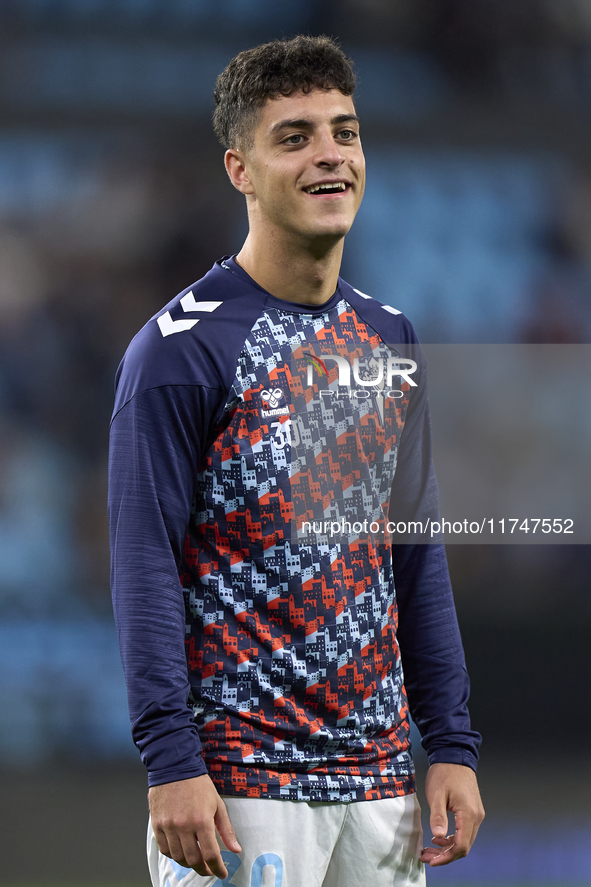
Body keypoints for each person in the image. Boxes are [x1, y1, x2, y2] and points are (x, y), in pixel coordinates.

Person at [109, 35, 484, 887]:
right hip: (241, 786)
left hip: (380, 791)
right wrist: (171, 759)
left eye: (343, 133)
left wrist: (451, 742)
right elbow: (142, 566)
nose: (329, 155)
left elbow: (411, 557)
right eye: (295, 137)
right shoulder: (180, 348)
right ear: (240, 169)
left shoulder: (384, 338)